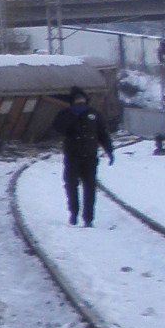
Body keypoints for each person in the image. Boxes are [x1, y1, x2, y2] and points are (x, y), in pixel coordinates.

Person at [52, 86, 115, 225]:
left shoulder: (94, 115)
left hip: (90, 157)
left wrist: (109, 150)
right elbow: (58, 128)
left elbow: (102, 134)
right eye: (77, 100)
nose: (80, 102)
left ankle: (88, 218)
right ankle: (73, 213)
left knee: (90, 187)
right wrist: (72, 116)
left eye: (82, 99)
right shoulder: (66, 114)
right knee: (71, 186)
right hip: (72, 157)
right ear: (73, 101)